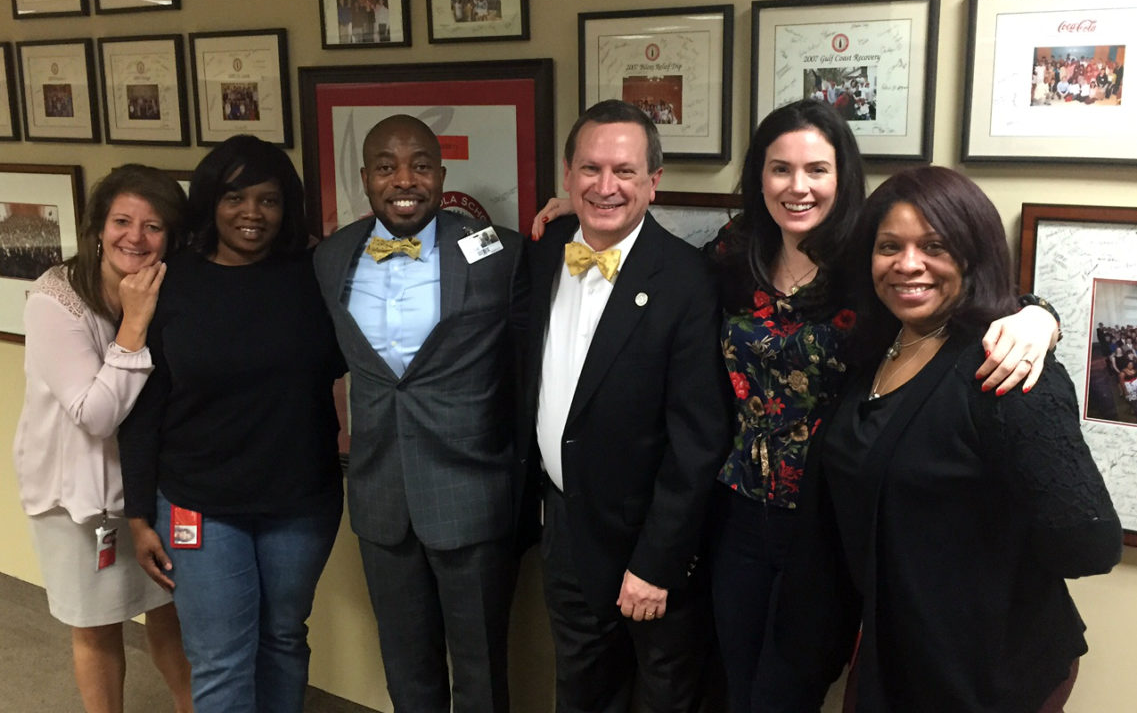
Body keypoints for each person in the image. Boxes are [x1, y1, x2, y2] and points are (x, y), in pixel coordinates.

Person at [532, 99, 1060, 713]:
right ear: (760, 176)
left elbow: (959, 295)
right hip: (733, 516)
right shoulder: (737, 250)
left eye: (817, 169)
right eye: (780, 169)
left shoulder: (871, 258)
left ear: (844, 177)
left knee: (786, 692)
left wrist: (1037, 315)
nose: (798, 186)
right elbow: (646, 248)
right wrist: (587, 204)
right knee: (727, 684)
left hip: (827, 520)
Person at [773, 165, 1122, 712]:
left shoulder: (1003, 368)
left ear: (971, 253)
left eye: (934, 245)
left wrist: (978, 552)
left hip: (985, 671)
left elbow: (1090, 541)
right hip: (896, 651)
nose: (908, 264)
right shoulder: (877, 350)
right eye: (889, 246)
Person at [119, 135, 345, 713]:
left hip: (300, 501)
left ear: (285, 208)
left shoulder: (314, 275)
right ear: (210, 200)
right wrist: (141, 512)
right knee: (220, 657)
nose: (251, 214)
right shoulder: (170, 283)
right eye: (235, 197)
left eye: (268, 200)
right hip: (199, 502)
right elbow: (143, 404)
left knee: (283, 638)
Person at [521, 99, 731, 713]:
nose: (605, 186)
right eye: (590, 169)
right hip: (563, 528)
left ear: (653, 182)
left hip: (648, 547)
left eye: (624, 172)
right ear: (567, 175)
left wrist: (656, 563)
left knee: (663, 696)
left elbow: (697, 442)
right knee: (581, 692)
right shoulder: (545, 248)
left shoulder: (688, 281)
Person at [313, 114, 527, 713]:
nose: (404, 180)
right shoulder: (330, 260)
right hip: (381, 497)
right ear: (365, 178)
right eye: (386, 167)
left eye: (420, 166)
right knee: (406, 670)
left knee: (482, 672)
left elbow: (528, 368)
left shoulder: (499, 255)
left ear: (441, 173)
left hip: (472, 494)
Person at [13, 164, 192, 713]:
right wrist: (134, 325)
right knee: (96, 626)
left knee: (171, 613)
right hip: (77, 499)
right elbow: (95, 414)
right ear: (98, 226)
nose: (135, 237)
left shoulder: (176, 287)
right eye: (122, 221)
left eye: (153, 225)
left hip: (150, 489)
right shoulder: (55, 300)